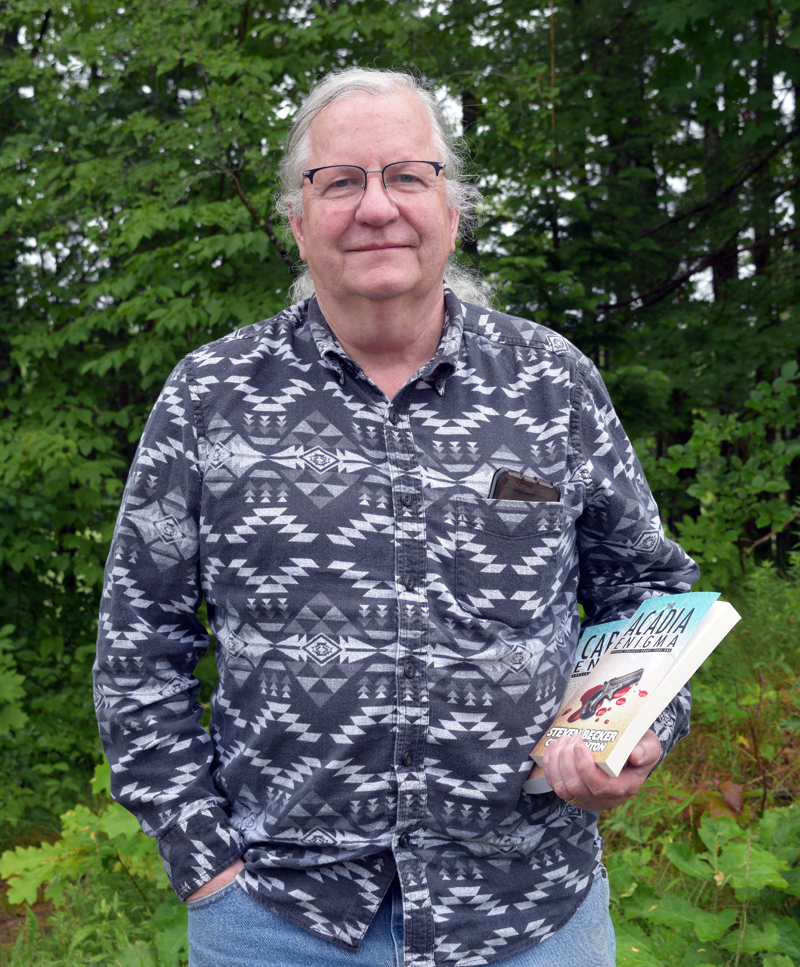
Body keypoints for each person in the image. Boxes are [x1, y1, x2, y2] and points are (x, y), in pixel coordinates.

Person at [93, 67, 698, 967]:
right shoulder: (209, 399)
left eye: (408, 176)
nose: (377, 207)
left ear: (451, 207)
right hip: (277, 919)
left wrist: (635, 725)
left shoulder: (552, 384)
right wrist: (202, 860)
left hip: (531, 912)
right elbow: (140, 642)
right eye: (340, 181)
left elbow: (645, 587)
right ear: (297, 221)